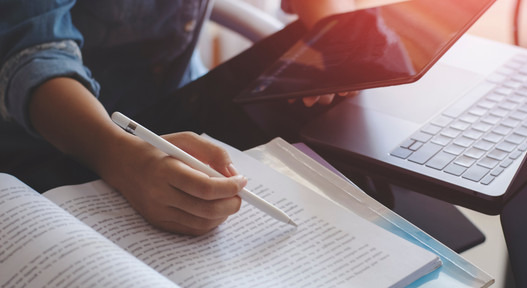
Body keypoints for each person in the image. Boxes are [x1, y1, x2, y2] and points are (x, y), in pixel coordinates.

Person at [0, 0, 361, 235]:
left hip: (186, 98)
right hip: (55, 135)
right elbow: (30, 53)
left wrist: (338, 33)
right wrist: (118, 156)